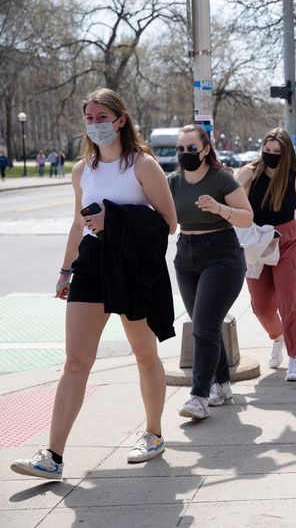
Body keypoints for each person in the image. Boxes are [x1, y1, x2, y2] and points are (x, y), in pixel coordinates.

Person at [10, 88, 177, 480]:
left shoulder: (143, 165)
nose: (95, 124)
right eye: (89, 117)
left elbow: (169, 222)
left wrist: (114, 219)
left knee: (144, 354)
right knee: (75, 361)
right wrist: (66, 270)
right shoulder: (81, 170)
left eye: (102, 117)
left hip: (131, 266)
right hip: (91, 265)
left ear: (120, 120)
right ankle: (53, 456)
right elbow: (76, 222)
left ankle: (153, 433)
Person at [169, 125, 253, 420]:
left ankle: (199, 396)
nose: (185, 154)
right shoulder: (173, 181)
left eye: (191, 148)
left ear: (206, 149)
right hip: (186, 255)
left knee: (204, 325)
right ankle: (223, 385)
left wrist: (219, 208)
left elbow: (247, 218)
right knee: (205, 324)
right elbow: (162, 217)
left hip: (221, 255)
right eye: (180, 149)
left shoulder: (222, 179)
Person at [238, 127, 296, 382]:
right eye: (267, 150)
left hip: (288, 241)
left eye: (277, 152)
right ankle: (277, 337)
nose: (271, 155)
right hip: (256, 241)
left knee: (289, 301)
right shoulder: (249, 174)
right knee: (260, 306)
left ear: (286, 154)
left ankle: (294, 357)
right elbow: (231, 204)